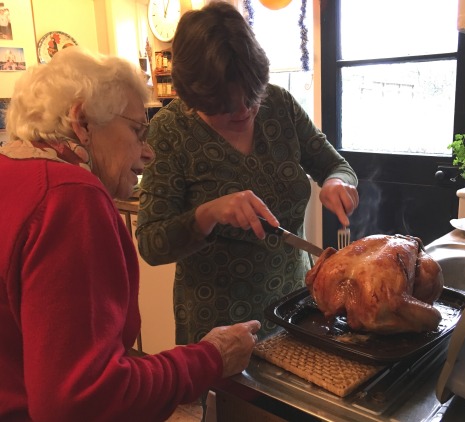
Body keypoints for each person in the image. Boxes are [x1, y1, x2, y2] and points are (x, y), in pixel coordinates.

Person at [0, 46, 260, 422]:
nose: (147, 152)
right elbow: (83, 400)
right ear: (82, 122)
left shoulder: (12, 170)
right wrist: (210, 358)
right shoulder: (70, 196)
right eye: (138, 131)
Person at [136, 1, 359, 345]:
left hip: (295, 309)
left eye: (252, 96)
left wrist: (336, 182)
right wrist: (208, 214)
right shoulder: (170, 131)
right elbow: (151, 244)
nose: (244, 110)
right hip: (219, 329)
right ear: (193, 96)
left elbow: (334, 165)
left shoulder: (279, 105)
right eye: (225, 106)